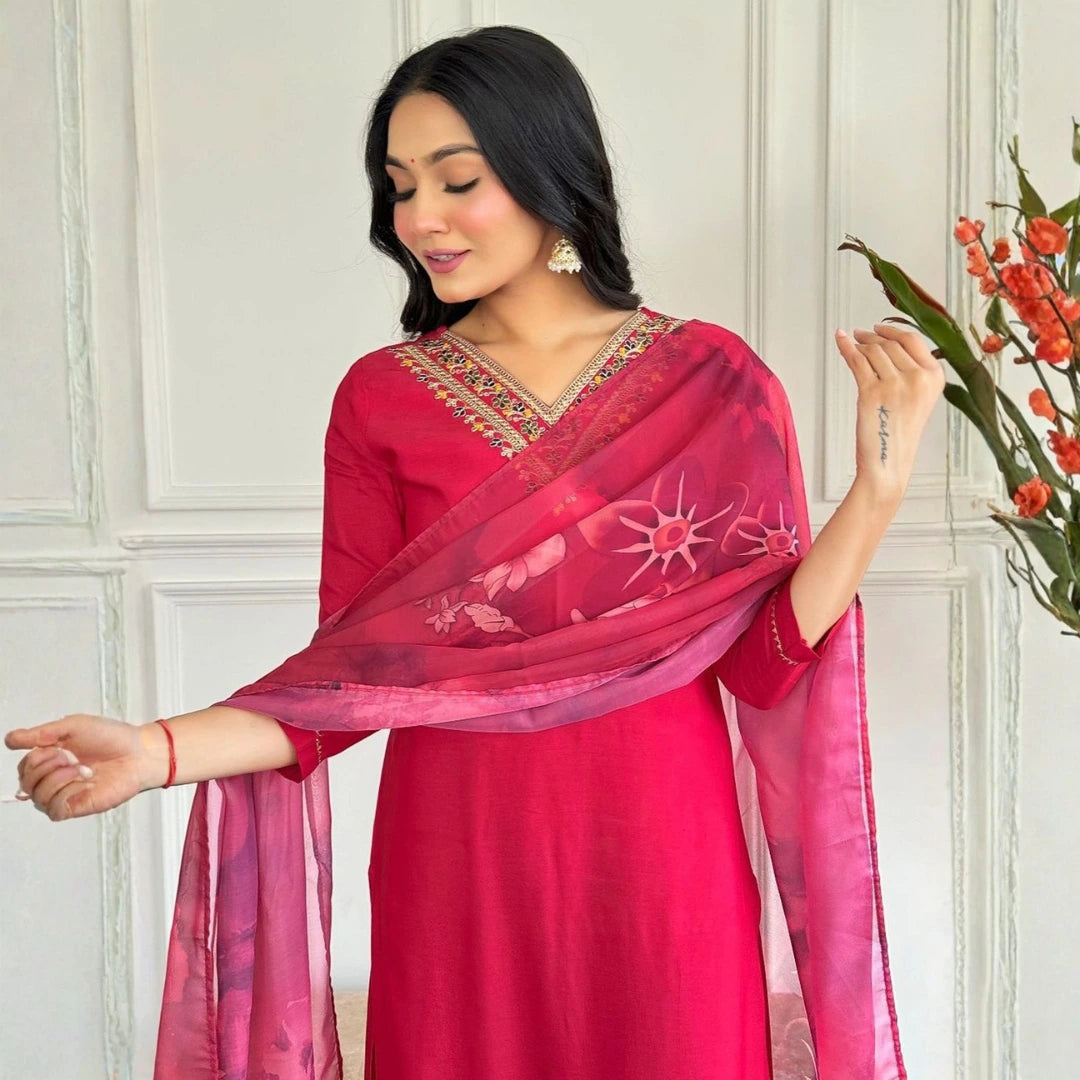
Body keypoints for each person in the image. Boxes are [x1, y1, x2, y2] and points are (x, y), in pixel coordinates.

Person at [6, 24, 940, 1080]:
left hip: (659, 861)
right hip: (456, 866)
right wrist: (152, 751)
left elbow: (764, 662)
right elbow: (340, 689)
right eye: (400, 188)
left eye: (458, 181)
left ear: (550, 171)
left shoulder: (711, 381)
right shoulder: (382, 398)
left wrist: (878, 492)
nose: (421, 220)